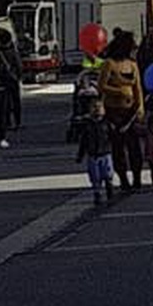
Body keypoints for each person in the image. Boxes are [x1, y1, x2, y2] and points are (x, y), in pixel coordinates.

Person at [96, 31, 146, 193]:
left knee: (135, 147)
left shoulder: (132, 65)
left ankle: (137, 177)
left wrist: (140, 108)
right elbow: (101, 86)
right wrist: (118, 91)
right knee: (118, 147)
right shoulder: (109, 64)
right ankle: (123, 179)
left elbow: (137, 88)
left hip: (130, 111)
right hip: (114, 110)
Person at [67, 78, 114, 212]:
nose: (97, 110)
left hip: (105, 152)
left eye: (99, 108)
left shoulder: (106, 123)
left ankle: (109, 186)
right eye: (94, 108)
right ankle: (97, 192)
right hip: (93, 154)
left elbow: (112, 137)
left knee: (107, 172)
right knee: (95, 176)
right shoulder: (88, 125)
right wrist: (80, 155)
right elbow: (84, 141)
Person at [0, 19, 24, 142]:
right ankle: (17, 121)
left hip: (1, 79)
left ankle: (7, 122)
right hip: (13, 78)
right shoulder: (12, 51)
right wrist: (19, 76)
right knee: (15, 100)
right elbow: (19, 65)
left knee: (4, 102)